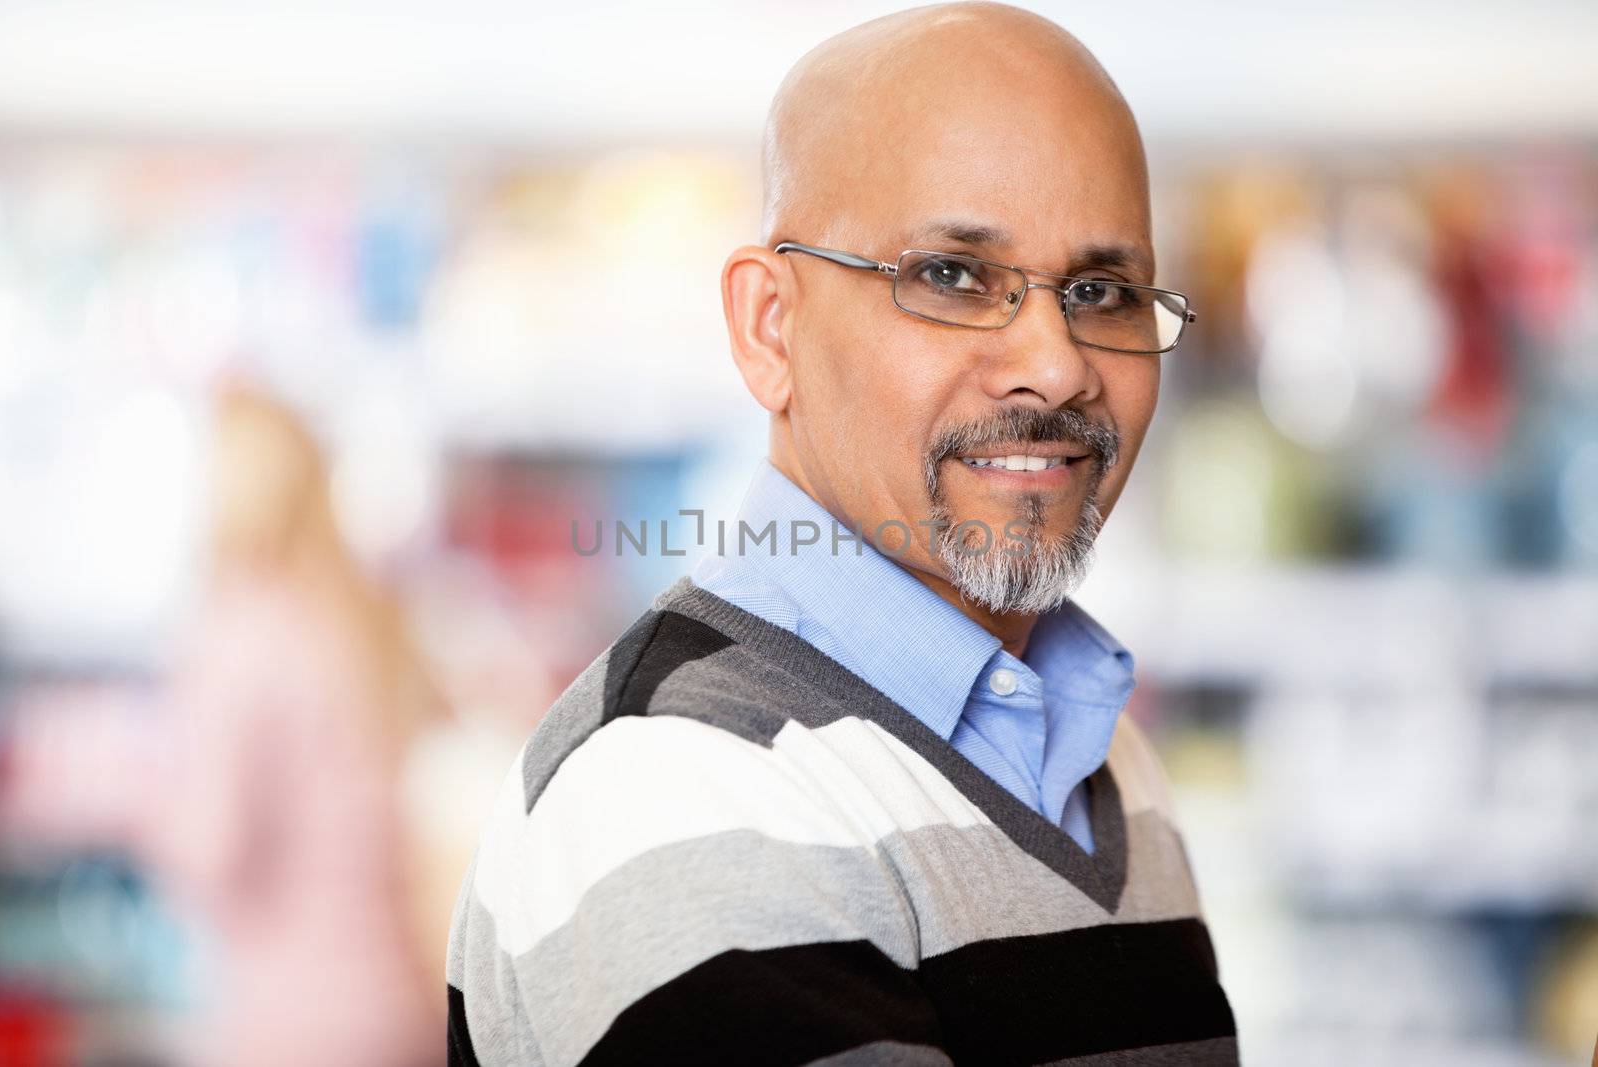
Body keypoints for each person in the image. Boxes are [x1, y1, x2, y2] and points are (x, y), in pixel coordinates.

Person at [446, 3, 1237, 1064]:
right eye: (953, 275)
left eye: (1101, 291)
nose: (1054, 364)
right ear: (770, 328)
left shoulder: (1101, 751)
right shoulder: (681, 788)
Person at [143, 381, 447, 1067]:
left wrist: (144, 804)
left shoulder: (238, 629)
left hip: (300, 1022)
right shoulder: (357, 615)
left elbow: (211, 848)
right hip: (401, 1006)